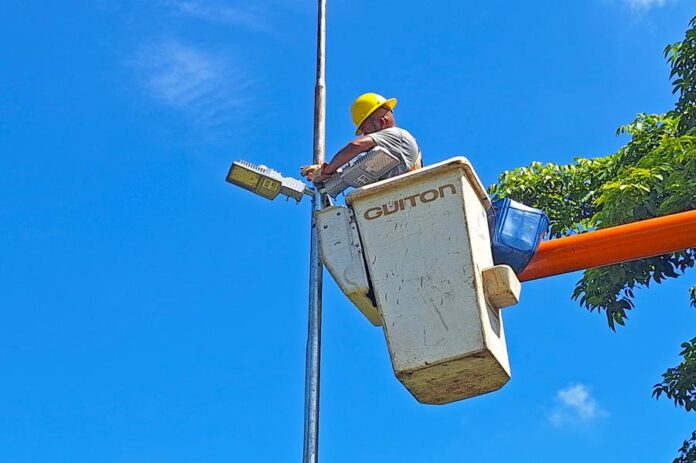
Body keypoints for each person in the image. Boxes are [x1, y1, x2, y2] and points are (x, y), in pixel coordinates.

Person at [300, 92, 422, 185]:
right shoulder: (385, 151)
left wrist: (327, 171)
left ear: (381, 121)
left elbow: (356, 146)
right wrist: (322, 173)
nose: (365, 133)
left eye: (364, 128)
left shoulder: (397, 135)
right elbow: (349, 170)